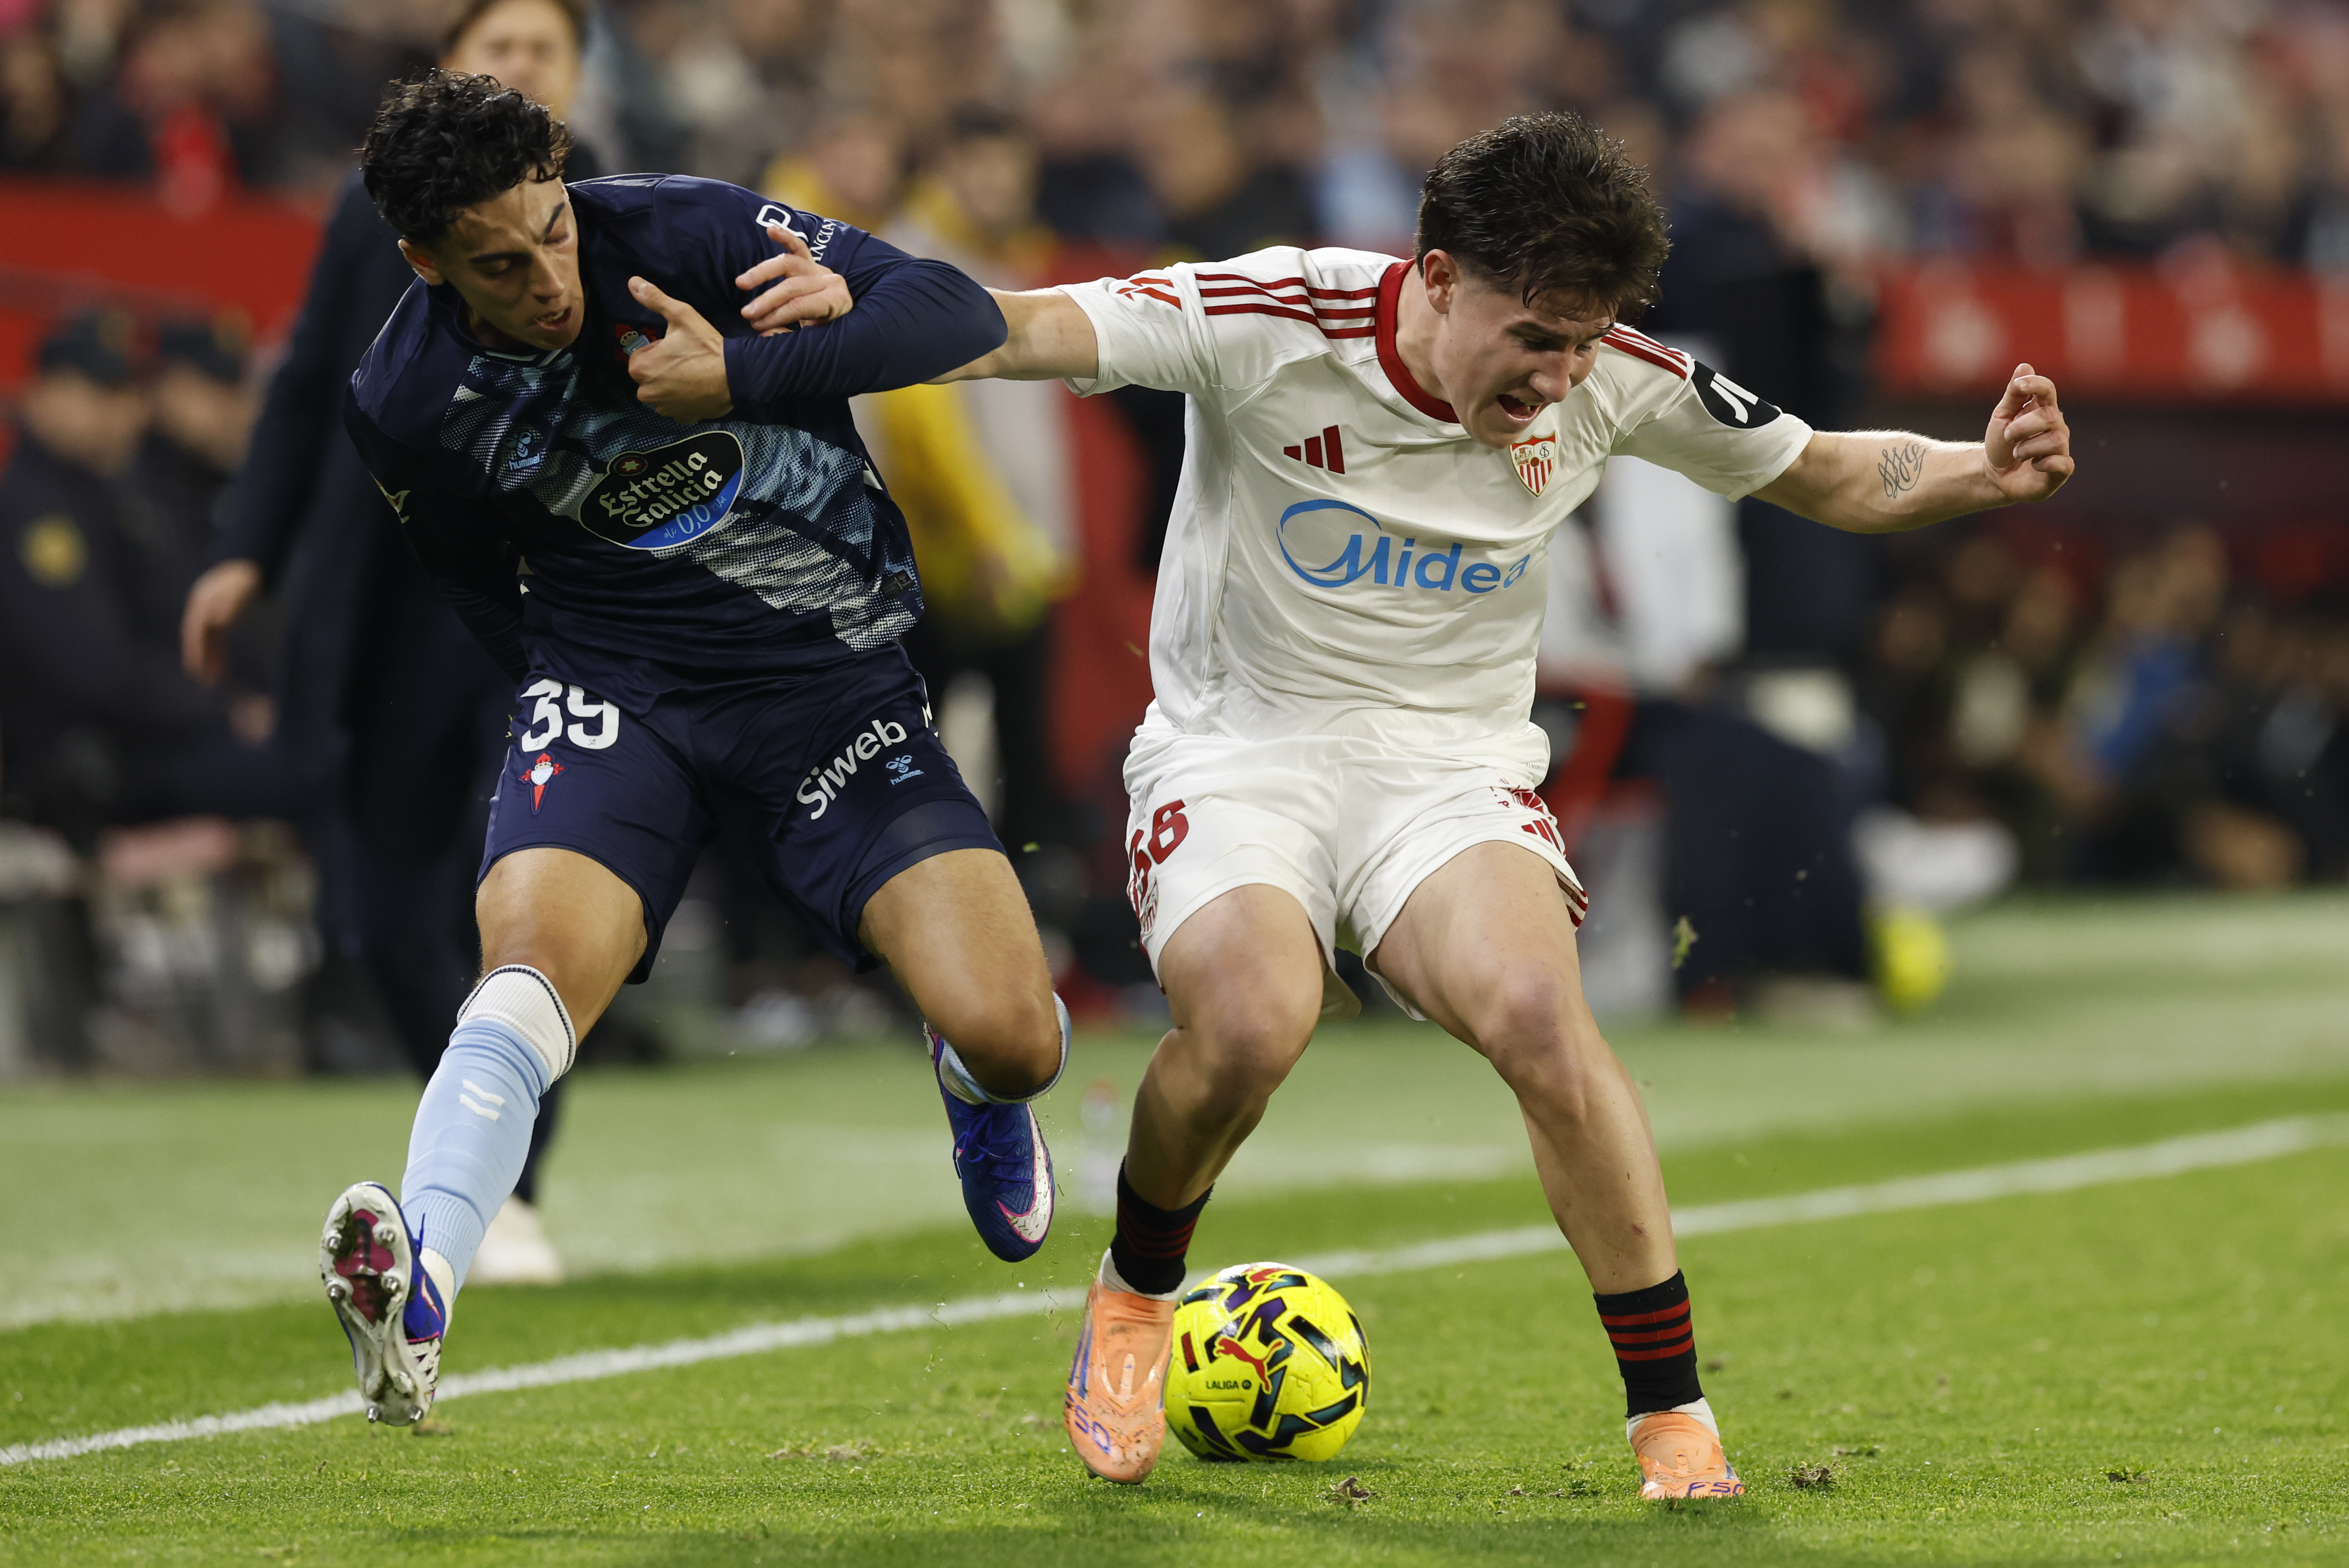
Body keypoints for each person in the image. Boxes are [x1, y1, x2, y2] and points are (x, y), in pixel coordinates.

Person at [941, 111, 2076, 1496]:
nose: (1558, 376)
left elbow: (1824, 468)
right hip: (1241, 749)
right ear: (1432, 281)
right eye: (1532, 337)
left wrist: (1977, 470)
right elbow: (1007, 326)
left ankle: (1670, 1412)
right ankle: (1133, 1294)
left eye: (1583, 341)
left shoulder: (1617, 380)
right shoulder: (1267, 314)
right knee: (1249, 1025)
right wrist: (802, 324)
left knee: (1543, 1017)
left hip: (1449, 766)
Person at [316, 70, 1066, 1430]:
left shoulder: (686, 231)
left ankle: (970, 1079)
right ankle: (418, 1288)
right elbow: (474, 579)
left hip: (824, 681)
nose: (548, 276)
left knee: (1018, 1035)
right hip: (621, 692)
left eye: (552, 228)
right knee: (530, 963)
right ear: (428, 263)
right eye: (499, 262)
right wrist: (570, 693)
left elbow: (950, 311)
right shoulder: (404, 395)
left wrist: (748, 370)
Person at [181, 0, 602, 1285]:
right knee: (372, 914)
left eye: (544, 50)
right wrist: (247, 549)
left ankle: (505, 1191)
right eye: (500, 48)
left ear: (576, 78)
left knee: (521, 901)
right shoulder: (382, 226)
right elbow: (308, 382)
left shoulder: (626, 218)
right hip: (392, 606)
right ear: (451, 73)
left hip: (556, 613)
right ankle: (476, 1139)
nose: (521, 66)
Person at [0, 311, 282, 845]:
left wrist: (261, 697)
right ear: (45, 396)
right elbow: (92, 672)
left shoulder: (114, 496)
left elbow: (196, 619)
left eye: (129, 392)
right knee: (318, 776)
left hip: (156, 739)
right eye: (100, 392)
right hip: (93, 760)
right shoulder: (35, 515)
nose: (123, 412)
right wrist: (226, 709)